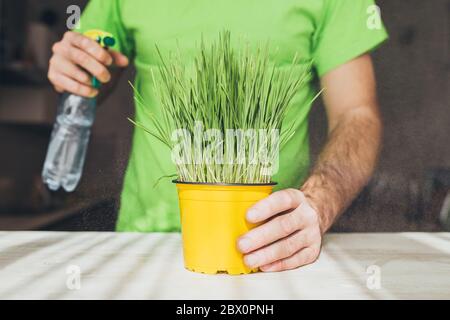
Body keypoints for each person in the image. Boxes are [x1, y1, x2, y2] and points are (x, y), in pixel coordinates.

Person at [47, 0, 388, 272]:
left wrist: (319, 202)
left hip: (271, 251)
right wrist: (77, 69)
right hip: (146, 243)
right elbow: (92, 68)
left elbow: (357, 113)